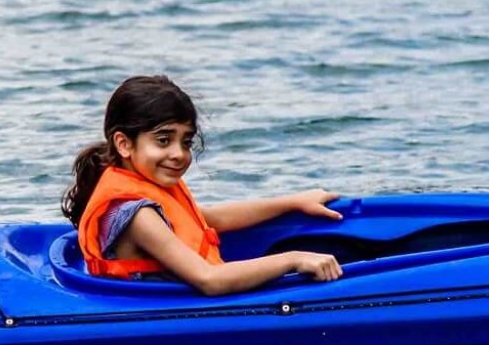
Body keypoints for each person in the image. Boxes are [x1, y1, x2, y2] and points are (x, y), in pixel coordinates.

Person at [61, 75, 345, 295]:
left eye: (186, 142)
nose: (179, 154)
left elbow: (210, 219)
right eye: (163, 140)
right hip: (163, 311)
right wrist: (293, 259)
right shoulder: (138, 217)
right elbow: (209, 281)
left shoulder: (145, 186)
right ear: (124, 143)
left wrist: (292, 203)